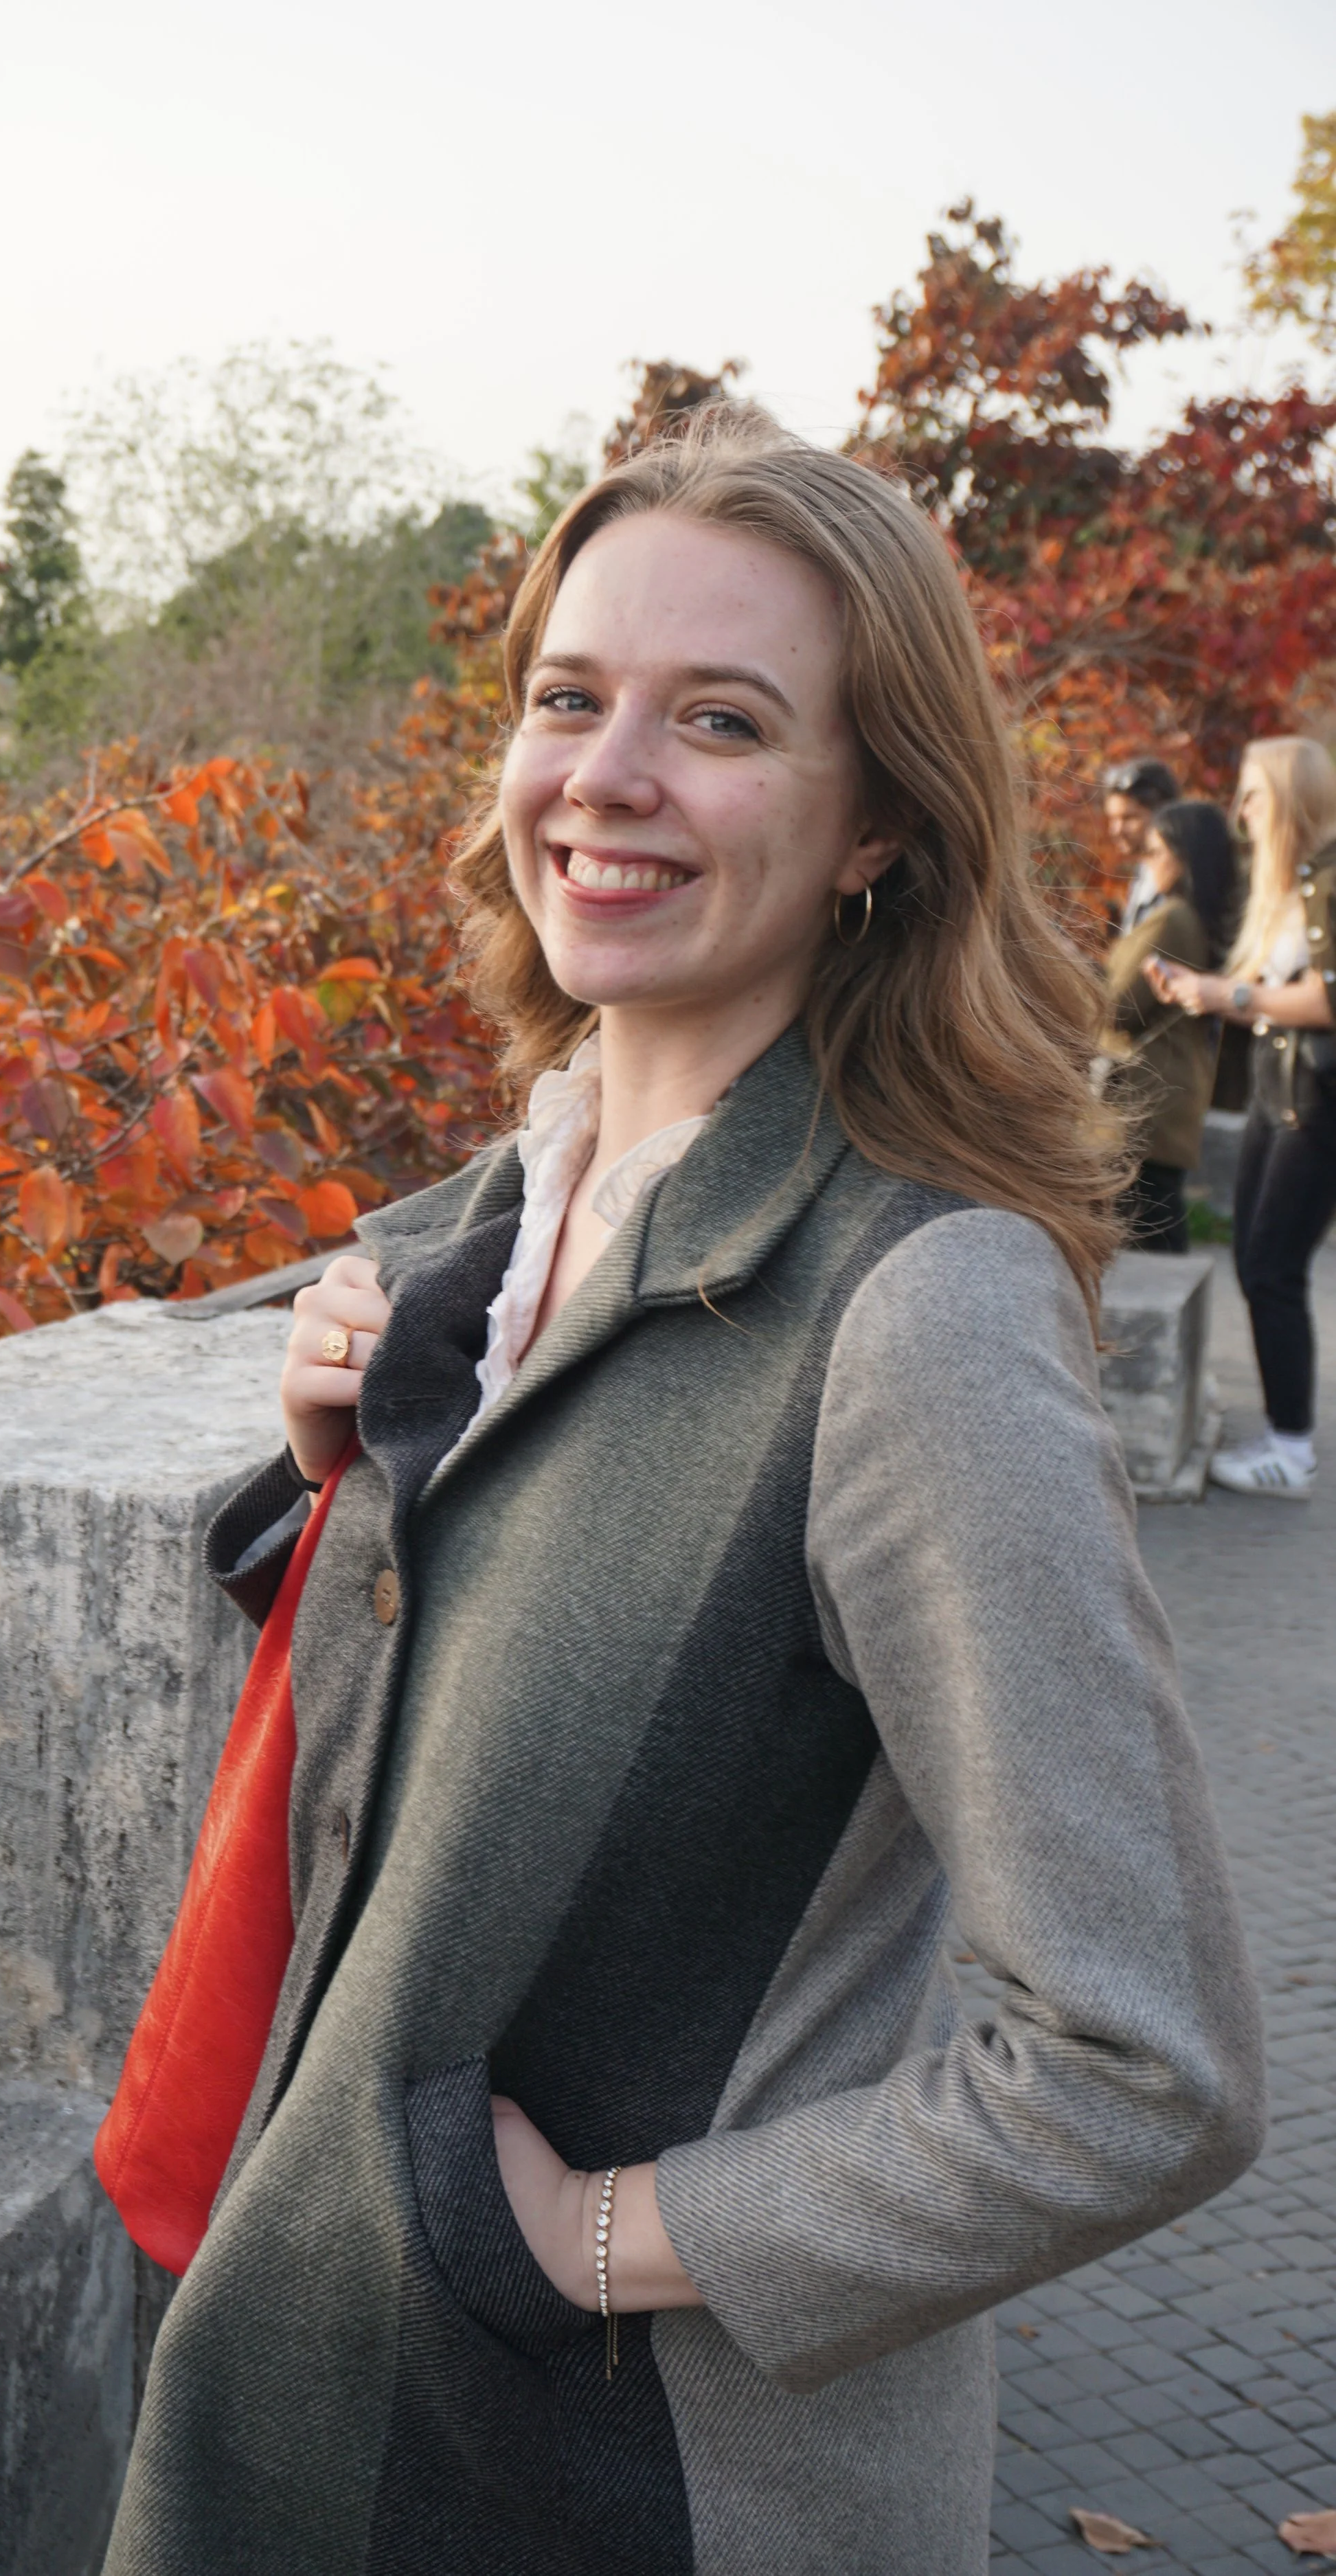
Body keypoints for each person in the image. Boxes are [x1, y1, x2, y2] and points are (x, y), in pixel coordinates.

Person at [103, 409, 1264, 2576]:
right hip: (315, 2398)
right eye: (567, 697)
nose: (605, 774)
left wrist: (595, 2236)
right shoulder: (480, 1220)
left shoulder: (917, 1310)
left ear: (871, 829)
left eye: (717, 721)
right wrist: (330, 1464)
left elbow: (1139, 2063)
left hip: (613, 2484)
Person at [1151, 736, 1336, 1497]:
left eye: (1254, 794)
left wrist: (1229, 996)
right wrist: (1207, 987)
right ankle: (1284, 1436)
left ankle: (1290, 1451)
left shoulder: (1328, 875)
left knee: (1269, 1265)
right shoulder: (1296, 879)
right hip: (1280, 1088)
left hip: (1313, 1099)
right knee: (1259, 1262)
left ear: (1290, 797)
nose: (1241, 812)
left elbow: (1328, 998)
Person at [1102, 799, 1238, 1252]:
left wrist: (1072, 973)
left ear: (1185, 857)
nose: (1149, 862)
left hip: (1145, 1104)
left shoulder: (1173, 919)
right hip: (1171, 1102)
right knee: (1159, 1239)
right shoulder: (1203, 917)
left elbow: (1118, 1007)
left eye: (1157, 851)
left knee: (1147, 1252)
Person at [1104, 754, 1181, 917]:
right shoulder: (1143, 874)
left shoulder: (1183, 884)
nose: (1116, 830)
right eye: (1113, 819)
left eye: (1129, 818)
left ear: (1163, 815)